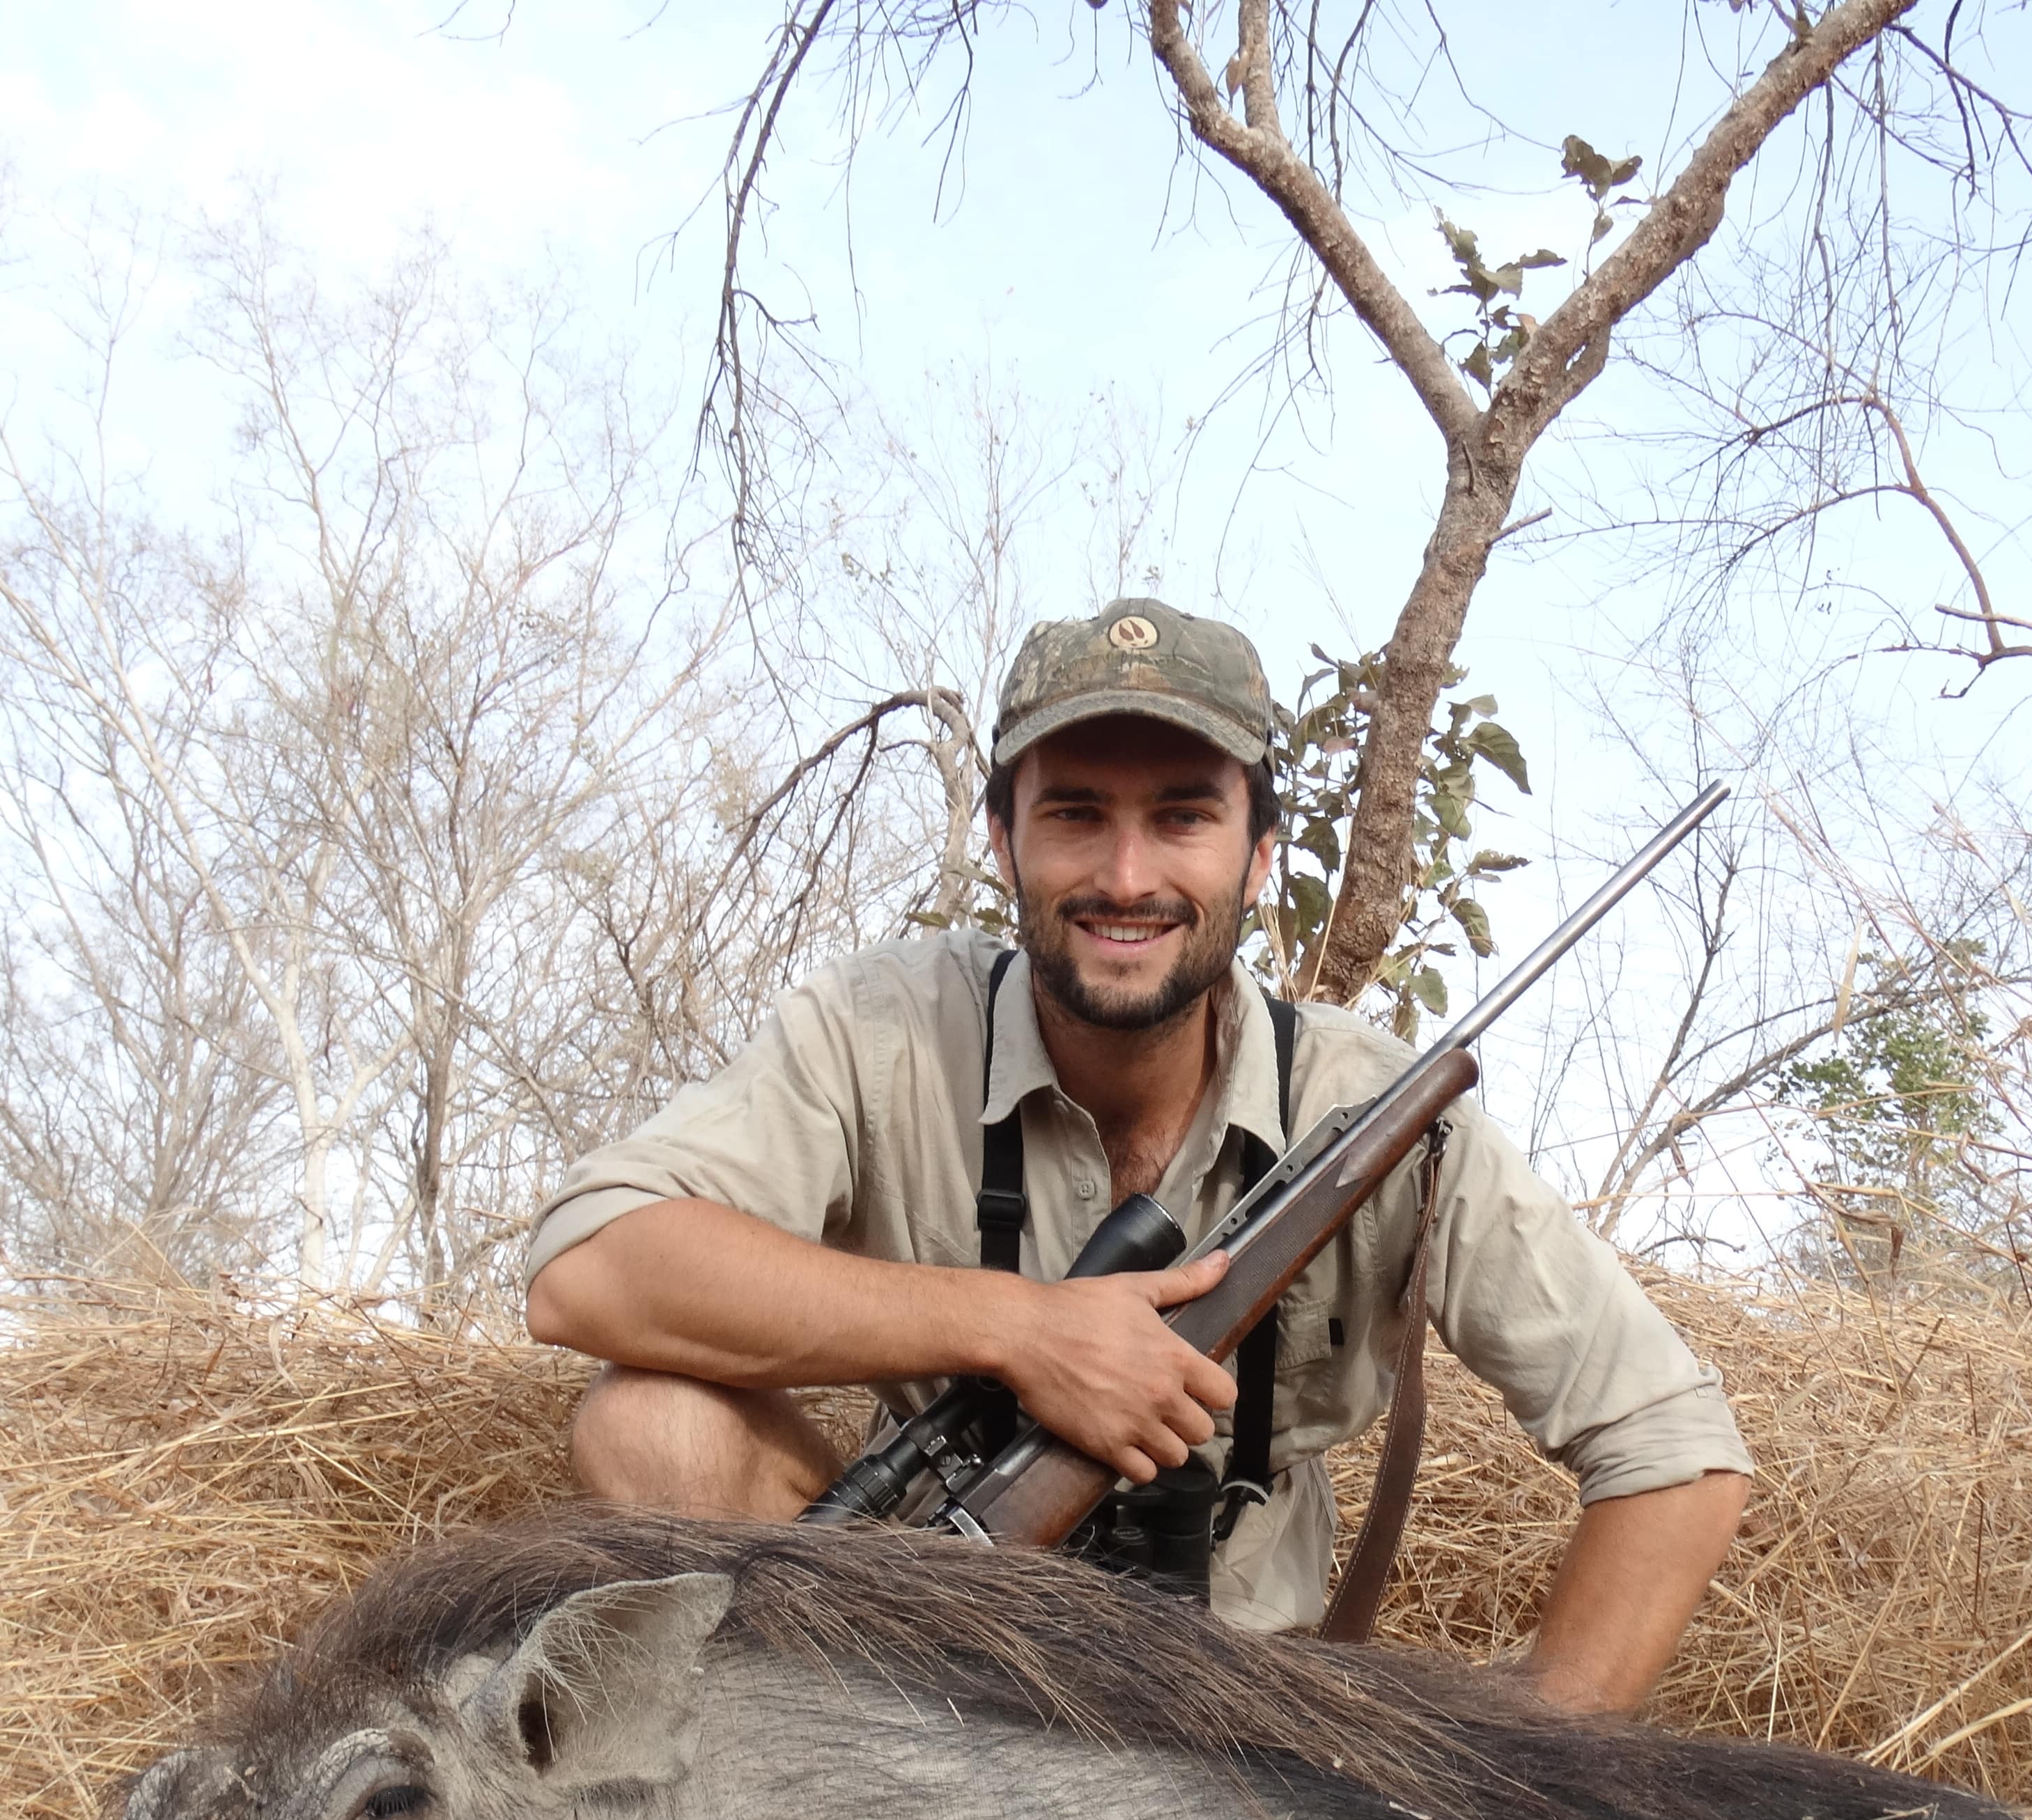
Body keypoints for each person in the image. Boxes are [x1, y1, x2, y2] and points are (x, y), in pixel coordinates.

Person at [522, 600, 1751, 1710]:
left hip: (1255, 1730)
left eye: (1182, 817)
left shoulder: (1374, 1110)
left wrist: (1524, 1771)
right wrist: (1020, 1331)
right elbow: (585, 1268)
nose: (1125, 877)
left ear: (1259, 857)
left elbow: (1676, 1449)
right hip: (916, 1669)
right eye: (1073, 814)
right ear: (1003, 839)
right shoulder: (881, 1025)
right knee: (653, 1426)